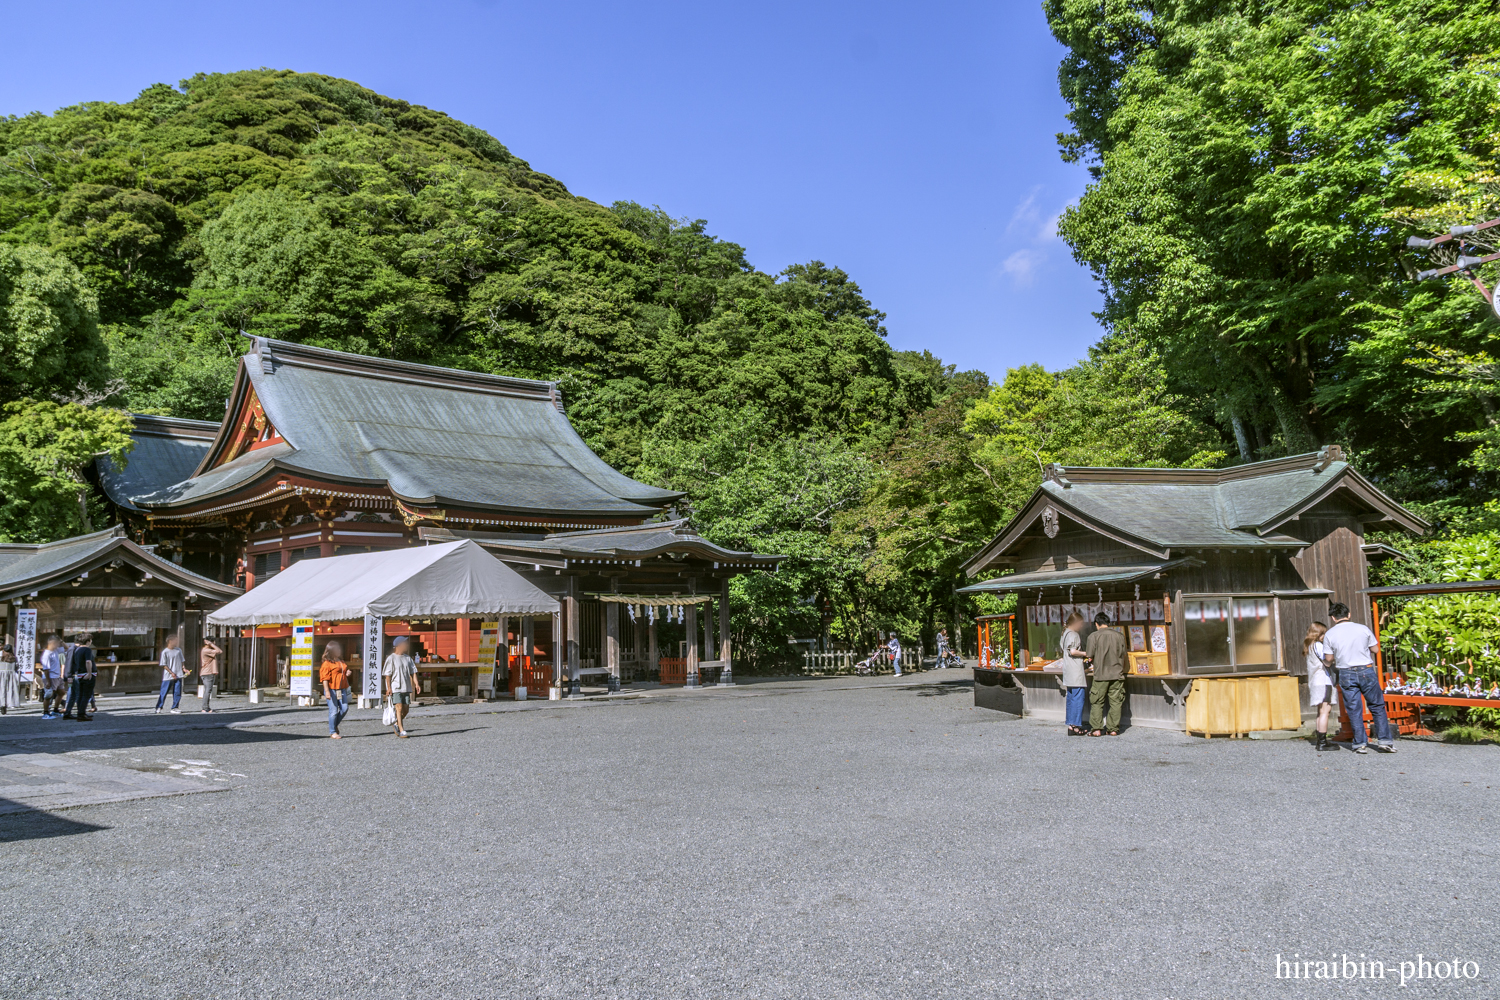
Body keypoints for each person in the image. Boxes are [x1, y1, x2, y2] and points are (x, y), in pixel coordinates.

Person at [1324, 603, 1395, 754]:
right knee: (1377, 705)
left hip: (1346, 672)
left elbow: (1329, 658)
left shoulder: (1330, 634)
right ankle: (1385, 741)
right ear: (1348, 614)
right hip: (1366, 670)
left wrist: (1326, 663)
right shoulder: (1363, 628)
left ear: (1333, 617)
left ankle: (1360, 744)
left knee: (1354, 709)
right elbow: (1375, 649)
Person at [1084, 612, 1127, 736]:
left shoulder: (1093, 636)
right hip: (1117, 674)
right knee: (1116, 702)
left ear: (1097, 624)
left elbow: (1089, 654)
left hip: (1100, 674)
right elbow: (1123, 653)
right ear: (1108, 623)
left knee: (1097, 701)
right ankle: (1113, 729)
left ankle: (1096, 729)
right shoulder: (1119, 636)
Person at [1304, 622, 1338, 752]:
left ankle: (1320, 741)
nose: (1325, 636)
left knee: (1320, 712)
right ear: (1318, 634)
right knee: (1325, 711)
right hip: (1324, 681)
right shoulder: (1318, 645)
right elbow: (1327, 661)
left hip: (1315, 682)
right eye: (1323, 633)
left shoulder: (1309, 646)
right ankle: (1323, 743)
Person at [382, 636, 420, 738]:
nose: (406, 645)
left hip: (406, 687)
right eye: (405, 643)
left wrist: (416, 684)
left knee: (406, 709)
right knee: (398, 708)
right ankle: (402, 730)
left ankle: (396, 724)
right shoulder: (391, 658)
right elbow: (387, 675)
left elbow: (413, 672)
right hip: (396, 687)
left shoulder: (408, 658)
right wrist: (388, 688)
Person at [1060, 612, 1089, 735]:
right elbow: (1073, 651)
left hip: (1068, 670)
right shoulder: (1073, 634)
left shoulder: (1065, 634)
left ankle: (1071, 724)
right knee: (1078, 698)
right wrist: (1085, 653)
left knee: (1071, 698)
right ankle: (1076, 725)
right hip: (1075, 670)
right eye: (1081, 623)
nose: (1082, 626)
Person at [320, 641, 351, 739]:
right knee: (333, 710)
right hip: (331, 689)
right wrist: (327, 691)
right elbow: (324, 678)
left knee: (345, 708)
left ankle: (334, 725)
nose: (339, 650)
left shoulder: (341, 661)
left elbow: (343, 671)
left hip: (341, 689)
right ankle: (333, 731)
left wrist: (347, 673)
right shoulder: (327, 663)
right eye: (337, 649)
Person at [62, 633, 97, 722]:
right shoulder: (74, 649)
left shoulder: (77, 649)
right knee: (76, 694)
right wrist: (69, 675)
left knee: (77, 694)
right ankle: (77, 713)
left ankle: (78, 713)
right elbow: (69, 662)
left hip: (77, 675)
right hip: (76, 675)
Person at [154, 634, 188, 714]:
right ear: (170, 641)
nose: (177, 642)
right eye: (175, 640)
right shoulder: (165, 652)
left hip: (178, 673)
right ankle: (159, 707)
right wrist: (171, 673)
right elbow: (164, 665)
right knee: (164, 692)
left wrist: (184, 669)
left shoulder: (178, 650)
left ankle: (175, 707)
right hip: (168, 676)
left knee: (177, 692)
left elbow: (182, 661)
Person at [39, 636, 65, 719]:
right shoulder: (46, 654)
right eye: (56, 643)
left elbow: (67, 648)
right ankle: (46, 713)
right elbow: (46, 669)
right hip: (50, 676)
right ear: (51, 643)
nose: (58, 645)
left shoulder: (56, 650)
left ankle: (55, 710)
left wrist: (61, 641)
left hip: (57, 676)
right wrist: (48, 682)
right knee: (49, 695)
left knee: (61, 692)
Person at [199, 637, 223, 713]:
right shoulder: (206, 650)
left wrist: (211, 644)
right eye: (213, 642)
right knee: (208, 691)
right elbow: (219, 651)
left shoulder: (206, 650)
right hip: (207, 673)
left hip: (208, 673)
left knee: (208, 690)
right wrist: (211, 644)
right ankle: (205, 708)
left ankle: (206, 707)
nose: (214, 643)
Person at [0, 645, 19, 715]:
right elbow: (17, 667)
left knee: (1, 690)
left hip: (0, 674)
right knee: (9, 690)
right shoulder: (14, 658)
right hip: (10, 675)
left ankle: (2, 705)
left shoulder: (0, 655)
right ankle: (8, 704)